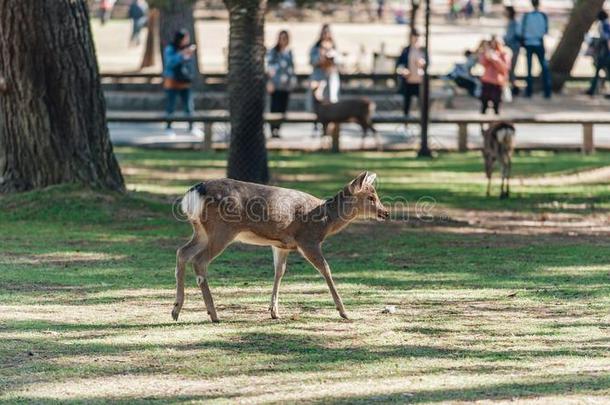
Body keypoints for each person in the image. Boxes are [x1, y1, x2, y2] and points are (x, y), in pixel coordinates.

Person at [162, 29, 201, 137]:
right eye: (185, 38)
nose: (187, 40)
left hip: (184, 80)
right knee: (171, 106)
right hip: (172, 80)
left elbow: (189, 65)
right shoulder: (171, 49)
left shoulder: (186, 49)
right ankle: (168, 127)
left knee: (188, 106)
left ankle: (191, 126)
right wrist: (181, 55)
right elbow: (169, 63)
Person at [267, 30, 296, 138]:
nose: (283, 40)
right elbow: (269, 67)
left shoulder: (289, 52)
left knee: (283, 108)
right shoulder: (273, 52)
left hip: (286, 86)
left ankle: (278, 129)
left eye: (285, 38)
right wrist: (270, 82)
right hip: (276, 85)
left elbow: (292, 68)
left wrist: (292, 81)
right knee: (275, 107)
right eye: (281, 38)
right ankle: (273, 129)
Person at [521, 0, 551, 98]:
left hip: (530, 43)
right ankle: (547, 91)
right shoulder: (542, 16)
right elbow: (545, 30)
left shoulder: (527, 16)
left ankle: (529, 91)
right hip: (537, 42)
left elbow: (523, 30)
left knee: (530, 68)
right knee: (543, 67)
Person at [396, 29, 425, 117]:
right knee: (407, 102)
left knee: (422, 102)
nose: (415, 39)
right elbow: (399, 64)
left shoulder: (422, 50)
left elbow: (428, 63)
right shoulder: (406, 50)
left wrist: (423, 64)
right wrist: (403, 70)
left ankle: (422, 120)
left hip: (420, 80)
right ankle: (406, 120)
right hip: (408, 79)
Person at [479, 37, 511, 115]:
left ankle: (496, 124)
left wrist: (495, 59)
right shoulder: (488, 53)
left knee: (496, 105)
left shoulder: (504, 54)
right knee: (484, 104)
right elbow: (482, 64)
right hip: (487, 81)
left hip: (497, 82)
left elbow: (504, 68)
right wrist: (486, 55)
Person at [309, 24, 340, 104]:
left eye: (327, 32)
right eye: (324, 33)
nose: (325, 35)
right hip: (318, 77)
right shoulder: (315, 48)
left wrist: (331, 57)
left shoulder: (334, 47)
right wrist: (321, 57)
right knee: (317, 101)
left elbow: (338, 62)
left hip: (331, 77)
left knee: (331, 101)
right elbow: (312, 61)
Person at [587, 10, 610, 96]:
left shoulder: (604, 25)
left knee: (598, 71)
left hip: (605, 53)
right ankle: (592, 89)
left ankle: (592, 90)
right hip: (604, 52)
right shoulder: (604, 24)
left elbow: (607, 38)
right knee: (599, 71)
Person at [504, 6, 521, 95]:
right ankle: (512, 88)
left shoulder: (513, 23)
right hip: (512, 48)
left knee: (510, 69)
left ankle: (513, 89)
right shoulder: (511, 23)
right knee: (510, 70)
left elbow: (509, 37)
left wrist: (503, 41)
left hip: (513, 48)